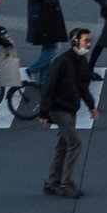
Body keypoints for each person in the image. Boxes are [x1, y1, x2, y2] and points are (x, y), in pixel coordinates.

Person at [37, 28, 99, 199]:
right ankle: (67, 184)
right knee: (75, 143)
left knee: (63, 146)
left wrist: (91, 107)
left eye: (89, 40)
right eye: (86, 40)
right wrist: (43, 112)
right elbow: (48, 86)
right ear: (74, 42)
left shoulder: (81, 61)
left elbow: (83, 87)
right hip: (59, 109)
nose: (89, 44)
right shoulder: (61, 61)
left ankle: (52, 182)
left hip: (71, 108)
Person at [25, 0, 69, 85]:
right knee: (54, 48)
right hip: (42, 17)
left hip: (47, 16)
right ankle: (32, 70)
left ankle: (44, 82)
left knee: (48, 47)